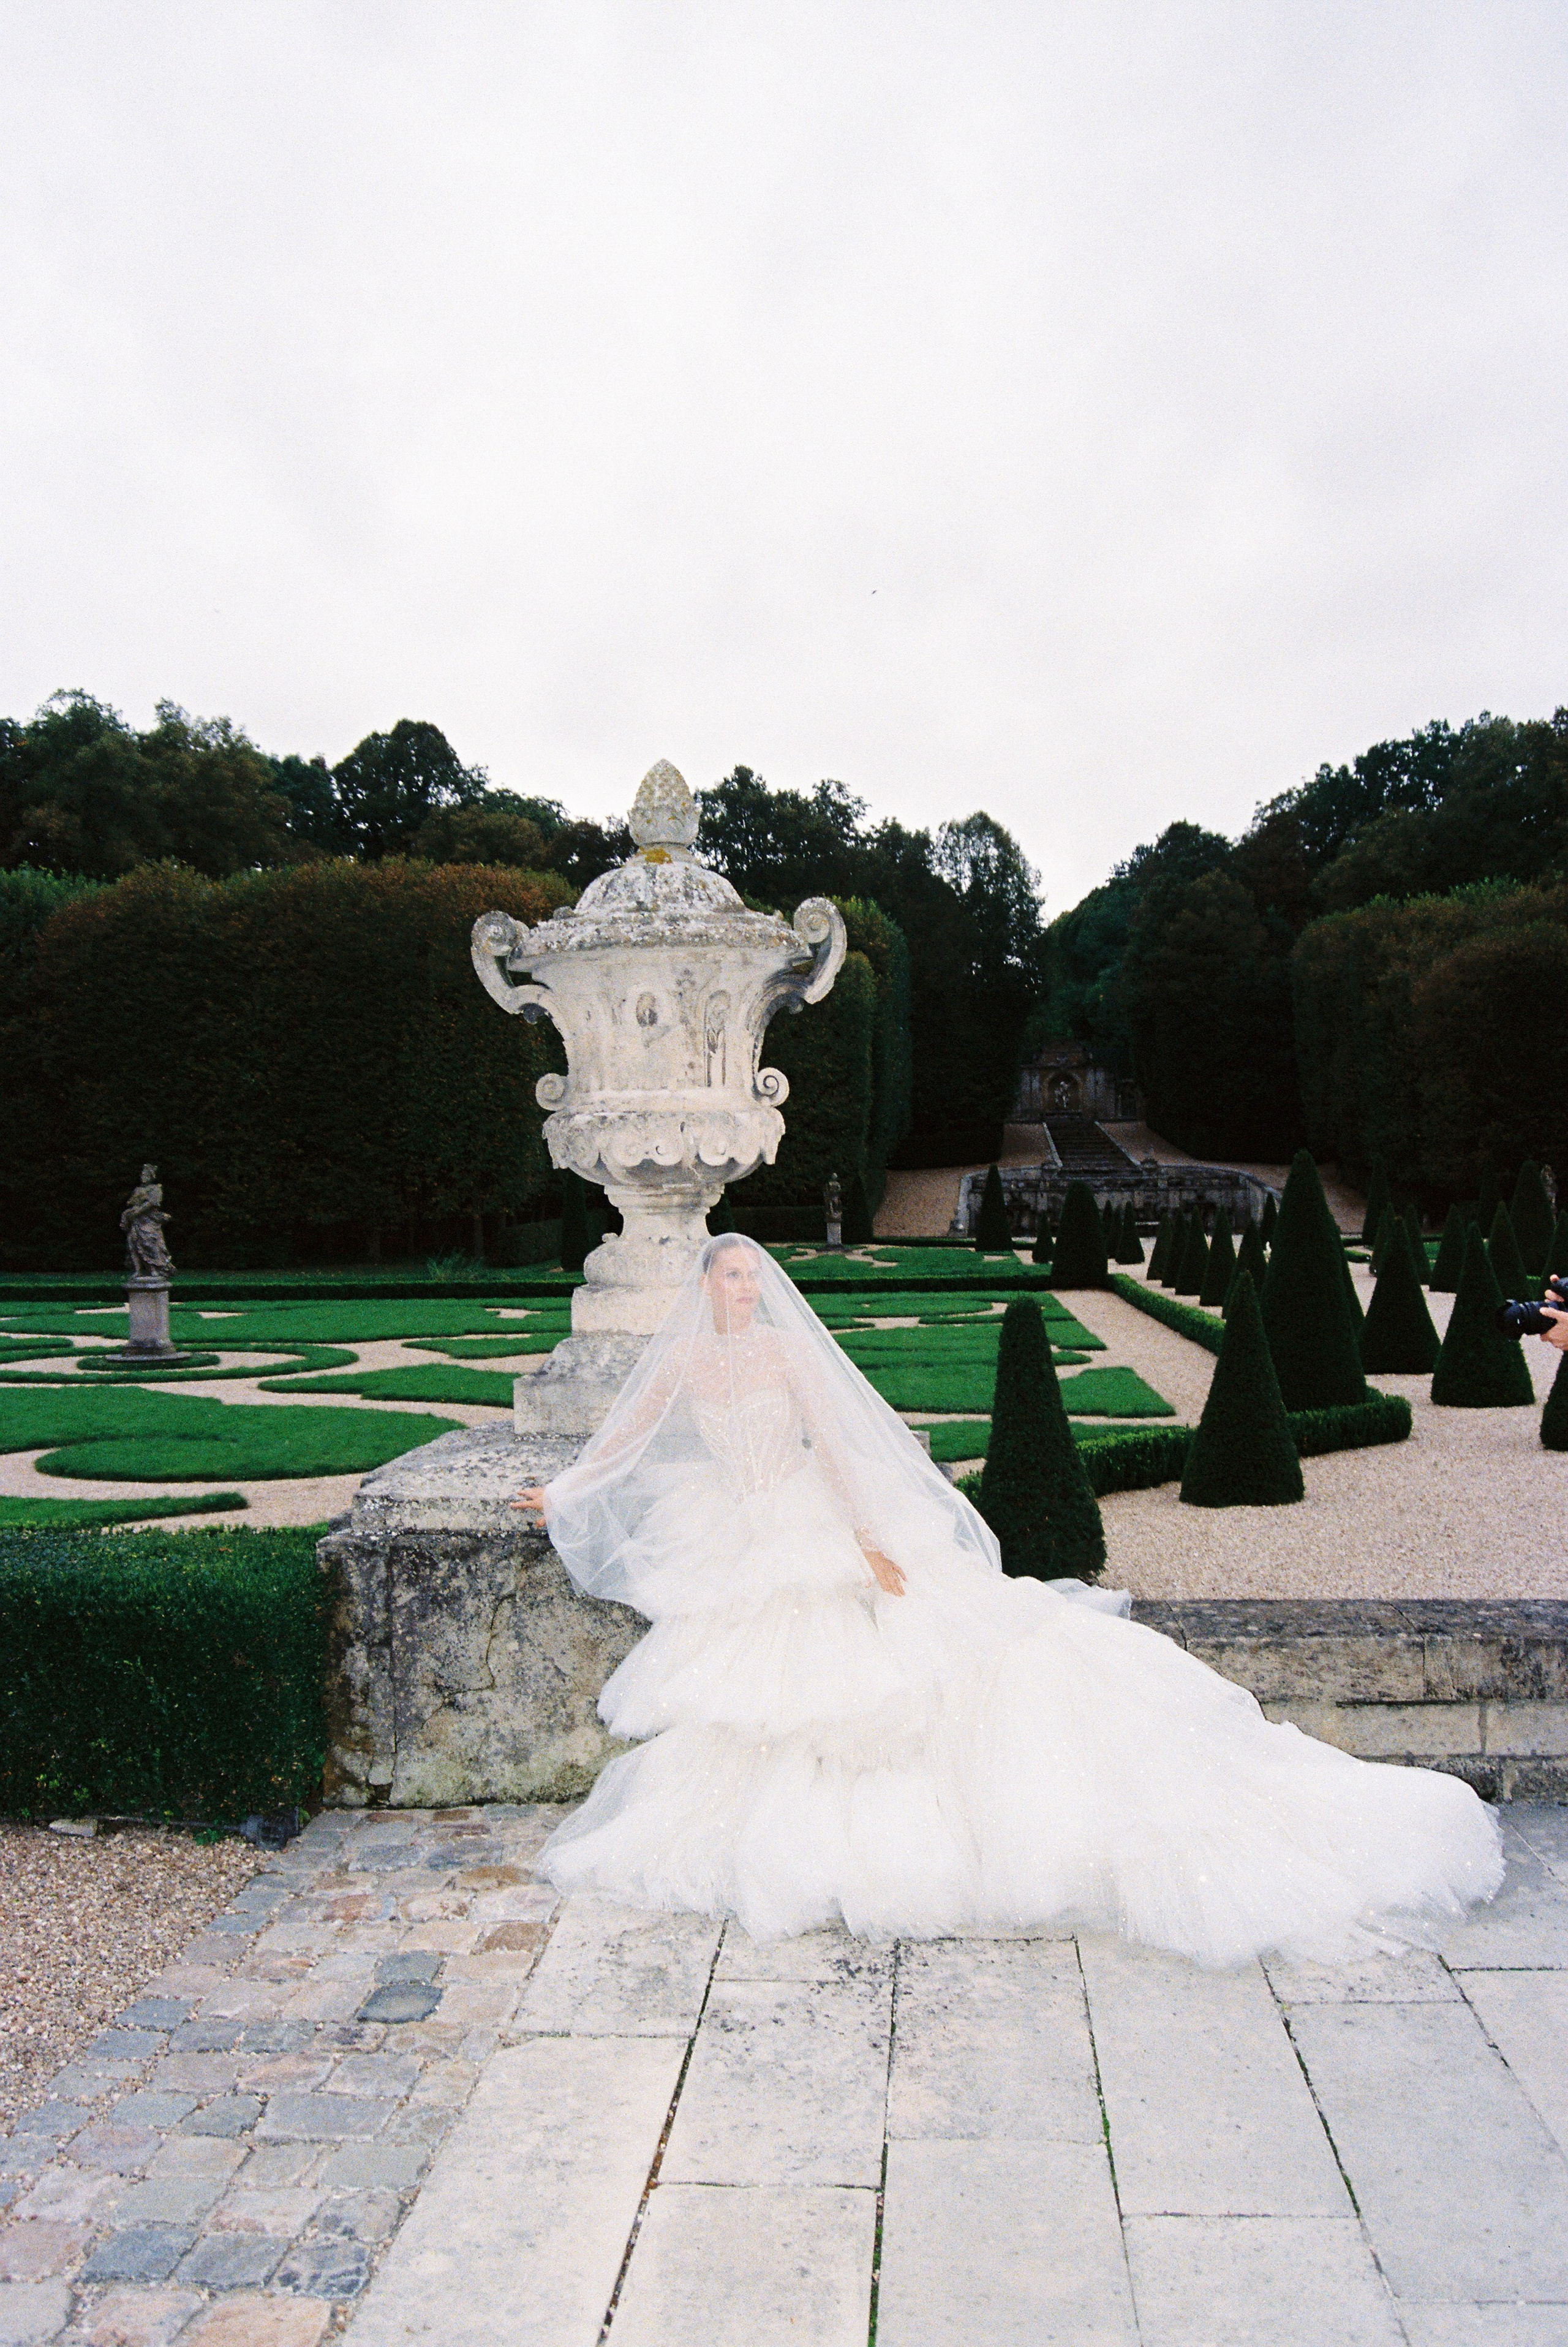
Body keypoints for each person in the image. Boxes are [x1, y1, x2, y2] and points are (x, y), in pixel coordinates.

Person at [514, 1233, 1501, 1965]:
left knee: (900, 1662)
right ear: (703, 1288)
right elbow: (623, 1440)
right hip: (734, 1526)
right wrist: (560, 1491)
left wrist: (867, 1541)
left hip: (808, 1516)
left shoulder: (783, 1354)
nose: (740, 1289)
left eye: (749, 1277)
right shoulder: (682, 1361)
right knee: (757, 1685)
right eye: (727, 1277)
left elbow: (842, 1451)